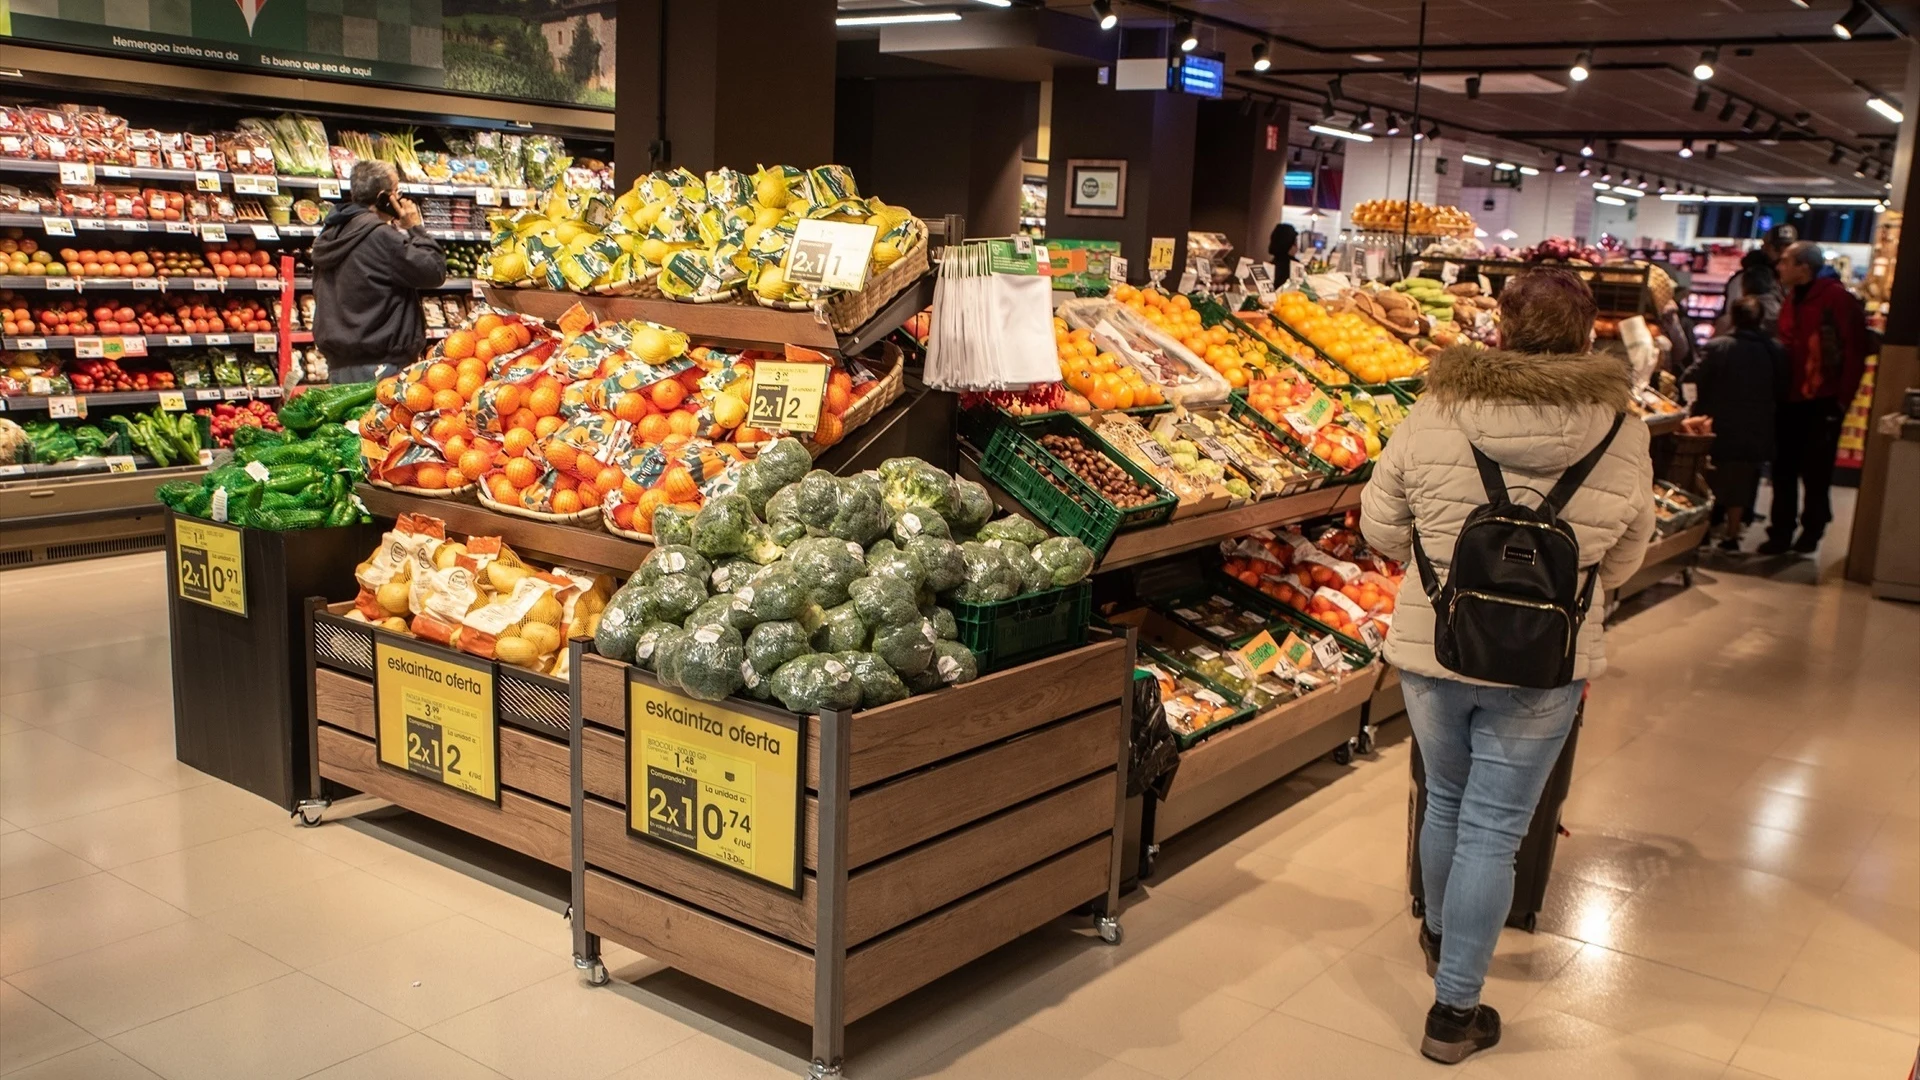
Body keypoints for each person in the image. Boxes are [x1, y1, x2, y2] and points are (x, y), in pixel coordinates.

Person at [1360, 267, 1654, 1066]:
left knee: (1444, 799)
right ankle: (1454, 1013)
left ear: (1500, 324)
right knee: (1495, 828)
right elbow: (1627, 557)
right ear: (1591, 331)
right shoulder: (1622, 430)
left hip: (1435, 648)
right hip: (1545, 662)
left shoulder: (1435, 409)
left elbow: (1381, 529)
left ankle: (1440, 930)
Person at [1761, 241, 1869, 555]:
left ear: (1803, 268)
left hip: (1822, 400)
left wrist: (1841, 401)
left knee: (1816, 472)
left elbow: (1855, 351)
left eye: (1785, 262)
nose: (1779, 268)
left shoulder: (1836, 299)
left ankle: (1812, 530)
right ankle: (1780, 532)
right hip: (1789, 398)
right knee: (1783, 469)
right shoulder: (1793, 297)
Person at [311, 160, 447, 384]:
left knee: (351, 421)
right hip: (381, 363)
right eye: (397, 192)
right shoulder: (380, 236)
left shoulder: (330, 233)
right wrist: (414, 227)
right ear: (385, 198)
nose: (401, 199)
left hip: (340, 362)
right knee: (377, 420)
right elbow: (434, 270)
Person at [1684, 296, 1790, 551]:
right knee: (1742, 481)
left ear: (1732, 317)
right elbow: (1783, 388)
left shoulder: (1717, 346)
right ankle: (1733, 533)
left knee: (1708, 478)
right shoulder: (1775, 350)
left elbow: (1692, 377)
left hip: (1717, 425)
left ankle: (1704, 531)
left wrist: (1691, 404)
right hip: (1756, 427)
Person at [1717, 224, 1793, 337]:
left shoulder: (1790, 280)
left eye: (1788, 249)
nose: (1783, 255)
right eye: (1777, 249)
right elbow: (1732, 316)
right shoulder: (1744, 277)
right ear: (1765, 248)